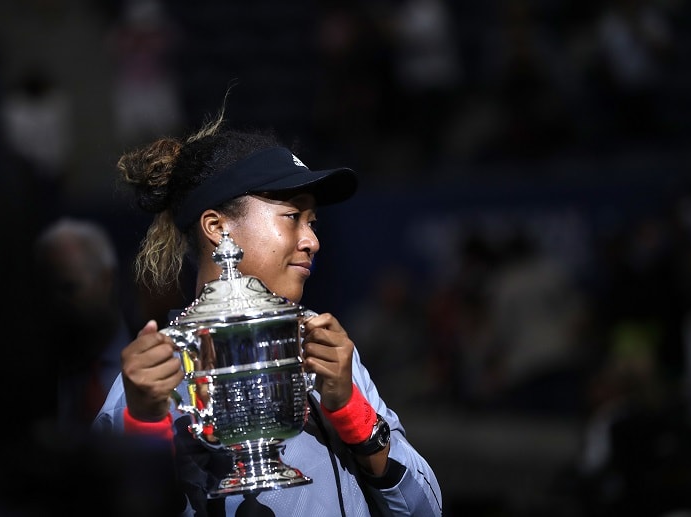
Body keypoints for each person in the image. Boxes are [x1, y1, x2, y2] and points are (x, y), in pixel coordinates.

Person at [92, 101, 443, 516]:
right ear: (218, 226)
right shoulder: (152, 378)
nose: (312, 241)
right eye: (292, 216)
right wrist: (145, 425)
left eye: (313, 222)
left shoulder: (325, 349)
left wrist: (354, 415)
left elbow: (426, 510)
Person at [34, 216, 131, 431]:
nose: (57, 303)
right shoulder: (33, 370)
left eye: (69, 289)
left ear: (107, 280)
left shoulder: (155, 345)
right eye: (46, 292)